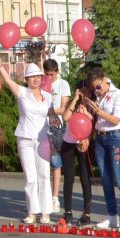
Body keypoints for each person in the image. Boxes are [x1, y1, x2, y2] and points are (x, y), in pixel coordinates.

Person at [0, 59, 54, 224]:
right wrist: (0, 66)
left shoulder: (48, 97)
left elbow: (53, 116)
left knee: (44, 175)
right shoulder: (21, 92)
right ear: (27, 79)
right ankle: (32, 211)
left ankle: (45, 212)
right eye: (32, 77)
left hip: (43, 139)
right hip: (25, 138)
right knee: (30, 177)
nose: (35, 79)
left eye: (38, 76)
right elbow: (7, 81)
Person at [82, 66, 120, 232]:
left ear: (105, 79)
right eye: (94, 87)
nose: (97, 89)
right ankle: (112, 216)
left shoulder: (117, 95)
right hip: (100, 138)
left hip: (114, 137)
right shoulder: (97, 95)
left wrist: (99, 112)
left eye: (98, 86)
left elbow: (116, 119)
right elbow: (94, 119)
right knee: (106, 179)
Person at [58, 87, 94, 225]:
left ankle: (86, 213)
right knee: (69, 178)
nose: (84, 96)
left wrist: (87, 114)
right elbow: (66, 117)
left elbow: (92, 124)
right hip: (68, 143)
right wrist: (74, 100)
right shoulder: (73, 105)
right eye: (82, 93)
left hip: (83, 144)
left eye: (87, 93)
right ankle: (68, 212)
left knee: (85, 178)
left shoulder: (91, 107)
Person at [42, 60, 72, 214]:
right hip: (41, 126)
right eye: (46, 74)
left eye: (51, 75)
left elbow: (64, 107)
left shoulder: (62, 84)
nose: (49, 77)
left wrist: (48, 112)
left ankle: (55, 197)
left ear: (57, 71)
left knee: (55, 163)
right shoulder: (41, 83)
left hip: (56, 127)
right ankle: (44, 196)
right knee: (42, 163)